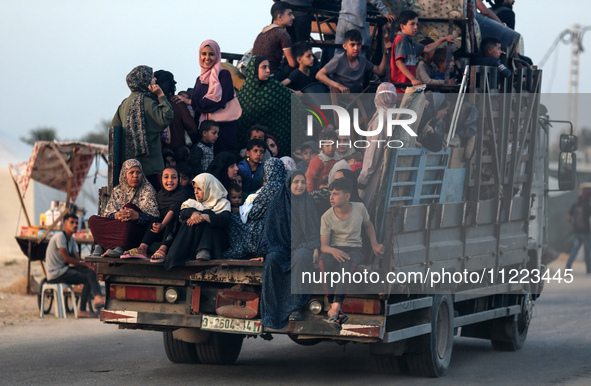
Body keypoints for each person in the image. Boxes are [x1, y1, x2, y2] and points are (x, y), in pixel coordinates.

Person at [319, 178, 384, 327]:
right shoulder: (327, 216)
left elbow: (368, 225)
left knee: (347, 263)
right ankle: (333, 305)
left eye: (336, 194)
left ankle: (335, 308)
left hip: (354, 249)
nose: (331, 197)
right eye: (331, 193)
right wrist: (333, 251)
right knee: (324, 261)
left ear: (347, 196)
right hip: (333, 249)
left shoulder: (359, 208)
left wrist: (374, 244)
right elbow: (324, 246)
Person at [112, 65, 173, 190]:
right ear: (143, 80)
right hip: (149, 165)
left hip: (129, 167)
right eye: (151, 77)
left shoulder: (124, 103)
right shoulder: (148, 101)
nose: (155, 80)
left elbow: (114, 130)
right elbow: (166, 117)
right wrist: (161, 95)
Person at [88, 159, 160, 258]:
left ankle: (111, 247)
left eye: (138, 172)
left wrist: (138, 216)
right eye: (131, 172)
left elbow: (155, 219)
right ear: (124, 174)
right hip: (119, 229)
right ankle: (109, 247)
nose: (135, 175)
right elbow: (108, 215)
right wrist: (116, 215)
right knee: (93, 220)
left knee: (129, 207)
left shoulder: (147, 190)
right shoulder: (117, 190)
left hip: (136, 232)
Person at [121, 167, 191, 263]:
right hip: (161, 230)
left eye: (174, 177)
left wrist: (162, 225)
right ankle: (142, 248)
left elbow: (172, 210)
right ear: (161, 179)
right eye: (166, 177)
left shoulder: (182, 193)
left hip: (175, 230)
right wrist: (158, 225)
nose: (170, 180)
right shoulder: (160, 194)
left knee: (172, 219)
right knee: (155, 219)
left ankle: (163, 249)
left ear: (178, 179)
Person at [238, 55, 306, 153]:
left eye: (268, 67)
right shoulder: (246, 90)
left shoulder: (275, 87)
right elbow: (242, 120)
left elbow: (294, 101)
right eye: (263, 67)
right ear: (254, 69)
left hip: (277, 140)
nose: (268, 71)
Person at [45, 214, 105, 318]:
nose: (75, 225)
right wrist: (85, 264)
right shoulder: (60, 237)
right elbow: (67, 259)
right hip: (56, 273)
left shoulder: (71, 240)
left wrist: (88, 264)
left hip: (64, 270)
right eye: (72, 222)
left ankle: (97, 297)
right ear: (65, 224)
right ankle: (84, 308)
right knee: (87, 279)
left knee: (89, 272)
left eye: (77, 223)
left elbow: (78, 259)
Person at [164, 174, 231, 267]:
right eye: (195, 188)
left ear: (209, 188)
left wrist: (204, 217)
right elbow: (182, 213)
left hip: (216, 244)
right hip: (194, 243)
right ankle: (177, 255)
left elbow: (225, 219)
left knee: (208, 214)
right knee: (189, 219)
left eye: (199, 189)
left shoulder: (223, 203)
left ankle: (204, 249)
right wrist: (193, 214)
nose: (195, 192)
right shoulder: (193, 202)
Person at [188, 40, 241, 154]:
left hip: (224, 130)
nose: (207, 57)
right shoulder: (200, 79)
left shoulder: (224, 75)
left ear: (217, 56)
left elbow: (218, 101)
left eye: (211, 54)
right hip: (205, 132)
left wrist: (190, 101)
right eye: (204, 54)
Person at [389, 10, 455, 93]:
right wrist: (413, 79)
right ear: (402, 26)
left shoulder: (410, 41)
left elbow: (427, 48)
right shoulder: (401, 40)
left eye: (416, 24)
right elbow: (399, 63)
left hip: (407, 87)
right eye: (412, 24)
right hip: (400, 87)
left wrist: (443, 39)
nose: (416, 27)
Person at [358, 82, 397, 207]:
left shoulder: (381, 119)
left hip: (377, 174)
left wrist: (363, 178)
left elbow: (373, 152)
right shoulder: (397, 116)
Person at [316, 29, 389, 94]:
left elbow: (380, 71)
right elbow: (319, 75)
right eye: (352, 45)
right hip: (340, 97)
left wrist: (385, 54)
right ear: (345, 46)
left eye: (358, 44)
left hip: (355, 97)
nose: (356, 48)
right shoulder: (338, 60)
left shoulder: (363, 61)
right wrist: (339, 86)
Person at [154, 70, 199, 154]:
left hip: (158, 152)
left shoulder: (151, 103)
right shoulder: (177, 103)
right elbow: (192, 128)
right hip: (178, 150)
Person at [252, 1, 298, 80]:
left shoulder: (262, 33)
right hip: (271, 75)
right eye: (289, 14)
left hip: (256, 76)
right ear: (280, 17)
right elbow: (292, 64)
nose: (293, 17)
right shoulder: (282, 34)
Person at [566, 194, 591, 274]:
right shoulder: (587, 206)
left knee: (574, 250)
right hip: (586, 232)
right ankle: (588, 269)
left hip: (577, 232)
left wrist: (573, 224)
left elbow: (569, 217)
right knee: (587, 251)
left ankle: (568, 267)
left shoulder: (575, 205)